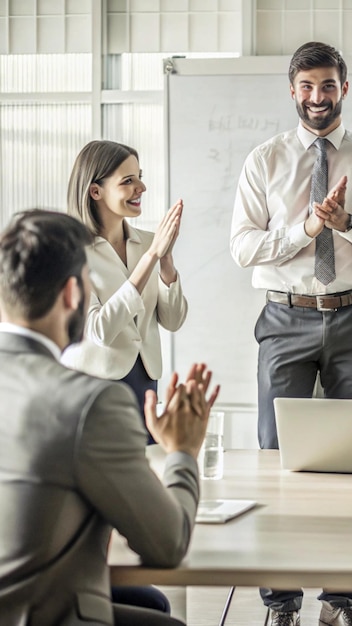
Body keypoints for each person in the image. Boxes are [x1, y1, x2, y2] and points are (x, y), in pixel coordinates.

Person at [230, 41, 352, 626]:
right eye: (307, 86)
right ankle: (280, 603)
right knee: (274, 456)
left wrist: (350, 224)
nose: (317, 97)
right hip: (285, 316)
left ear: (344, 88)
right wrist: (307, 226)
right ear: (292, 90)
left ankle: (341, 603)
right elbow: (242, 248)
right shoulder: (264, 160)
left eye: (328, 86)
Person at [0, 209, 219, 626]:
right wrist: (183, 452)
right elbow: (166, 543)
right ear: (72, 295)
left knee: (150, 605)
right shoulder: (89, 404)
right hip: (39, 612)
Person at [63, 140, 188, 443]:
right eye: (128, 181)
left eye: (140, 177)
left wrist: (166, 260)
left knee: (143, 470)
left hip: (145, 381)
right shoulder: (72, 251)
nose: (141, 187)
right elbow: (100, 331)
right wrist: (151, 260)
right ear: (96, 191)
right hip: (97, 385)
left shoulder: (149, 243)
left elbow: (172, 321)